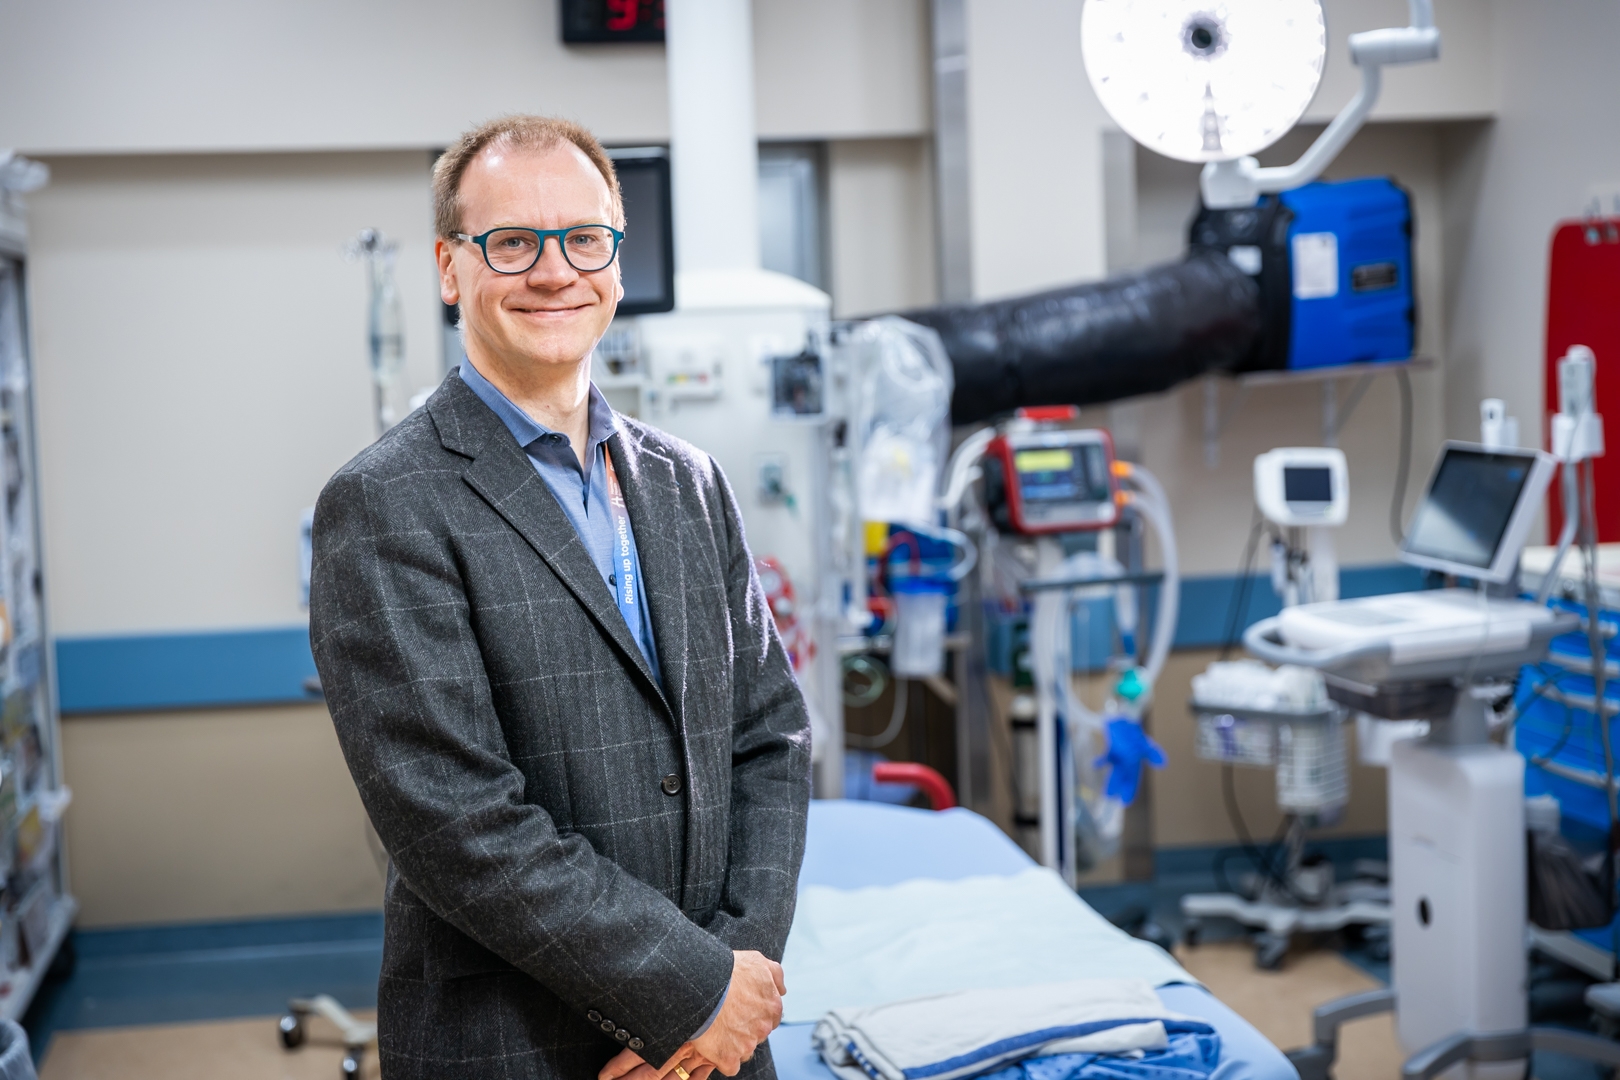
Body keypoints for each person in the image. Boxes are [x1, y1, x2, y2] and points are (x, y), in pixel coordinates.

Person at [309, 114, 811, 1080]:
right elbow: (459, 823)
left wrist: (732, 988)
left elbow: (770, 740)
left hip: (719, 1047)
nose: (554, 272)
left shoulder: (689, 481)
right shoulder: (383, 505)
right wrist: (687, 995)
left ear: (616, 264)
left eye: (584, 238)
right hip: (518, 1046)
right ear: (452, 270)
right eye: (511, 243)